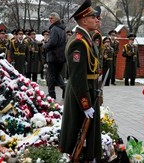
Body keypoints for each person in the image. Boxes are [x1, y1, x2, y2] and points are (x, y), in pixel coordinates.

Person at [59, 0, 102, 162]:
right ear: (84, 20)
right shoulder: (79, 41)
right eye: (93, 17)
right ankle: (71, 156)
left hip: (89, 88)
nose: (97, 19)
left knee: (85, 129)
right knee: (75, 128)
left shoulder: (86, 38)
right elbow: (77, 77)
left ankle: (86, 155)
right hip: (81, 91)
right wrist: (86, 104)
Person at [43, 12, 66, 100]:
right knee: (56, 74)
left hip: (53, 56)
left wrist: (45, 45)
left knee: (51, 75)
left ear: (56, 19)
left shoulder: (54, 29)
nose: (50, 20)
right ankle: (65, 88)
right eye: (49, 18)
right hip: (60, 56)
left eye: (51, 18)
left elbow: (52, 42)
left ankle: (51, 94)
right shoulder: (62, 28)